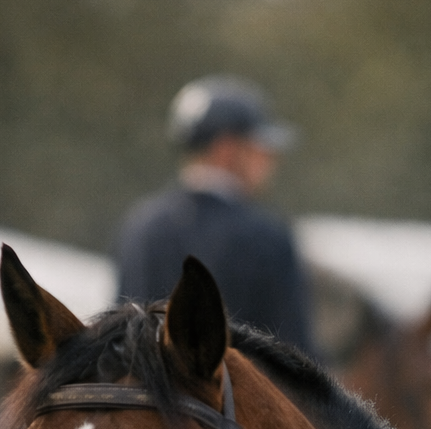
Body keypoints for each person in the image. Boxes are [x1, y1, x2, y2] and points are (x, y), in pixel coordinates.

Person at [116, 74, 314, 355]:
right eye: (259, 148)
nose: (270, 160)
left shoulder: (141, 226)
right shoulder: (266, 235)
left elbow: (120, 338)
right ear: (226, 149)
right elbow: (296, 356)